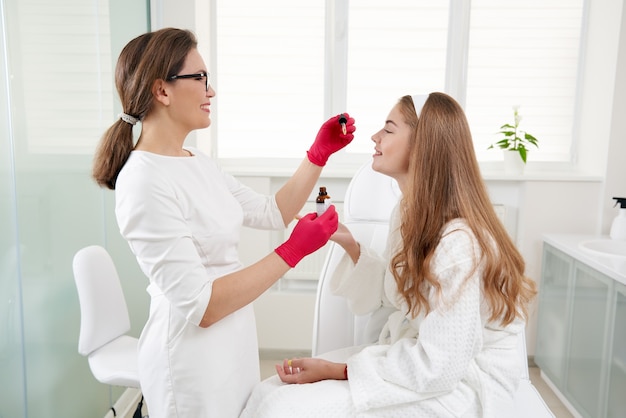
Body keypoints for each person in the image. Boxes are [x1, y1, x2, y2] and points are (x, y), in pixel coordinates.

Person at [91, 28, 355, 418]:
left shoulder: (196, 161)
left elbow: (272, 212)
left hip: (233, 340)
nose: (210, 91)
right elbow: (202, 305)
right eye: (200, 79)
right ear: (162, 91)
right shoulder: (143, 180)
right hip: (189, 358)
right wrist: (294, 250)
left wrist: (318, 154)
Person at [240, 92, 537, 418]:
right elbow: (394, 294)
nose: (375, 137)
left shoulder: (460, 244)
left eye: (389, 129)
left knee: (286, 411)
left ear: (423, 145)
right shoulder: (408, 211)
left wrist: (336, 370)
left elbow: (441, 366)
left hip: (463, 387)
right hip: (421, 363)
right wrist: (350, 244)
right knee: (272, 393)